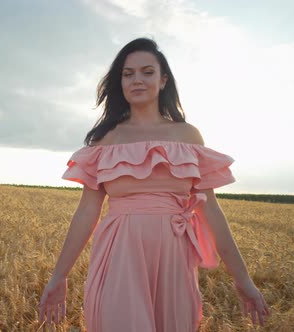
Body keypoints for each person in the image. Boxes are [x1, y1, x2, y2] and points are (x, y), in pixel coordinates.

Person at [38, 37, 269, 331]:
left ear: (163, 80)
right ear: (119, 82)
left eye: (147, 72)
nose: (137, 79)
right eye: (128, 73)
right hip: (118, 257)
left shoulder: (188, 136)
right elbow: (86, 212)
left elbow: (211, 213)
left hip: (174, 260)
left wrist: (243, 281)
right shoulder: (105, 140)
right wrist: (60, 276)